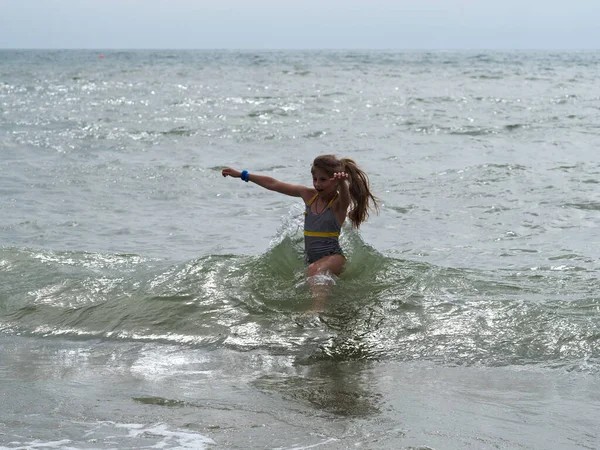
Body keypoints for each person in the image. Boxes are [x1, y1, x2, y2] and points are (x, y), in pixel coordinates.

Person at [222, 154, 378, 309]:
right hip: (313, 260)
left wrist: (343, 183)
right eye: (315, 179)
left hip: (334, 258)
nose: (317, 184)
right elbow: (274, 184)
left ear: (335, 182)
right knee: (312, 272)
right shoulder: (308, 195)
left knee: (314, 271)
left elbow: (345, 199)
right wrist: (243, 175)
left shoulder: (337, 204)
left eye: (323, 180)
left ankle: (317, 311)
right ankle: (327, 309)